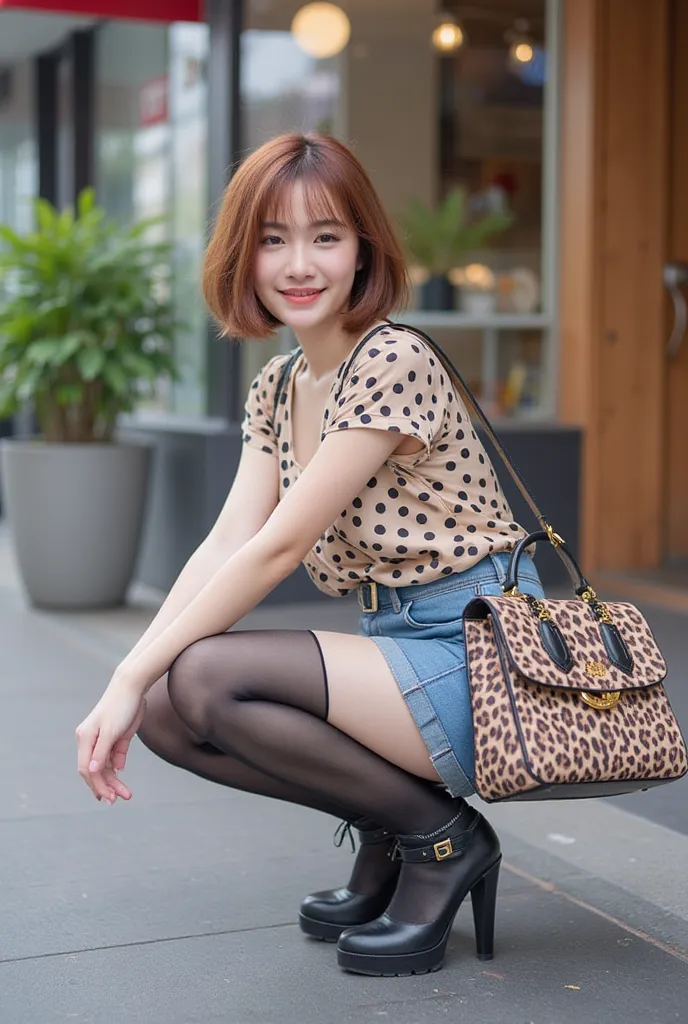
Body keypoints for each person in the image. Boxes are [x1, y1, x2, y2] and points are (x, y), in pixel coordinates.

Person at [75, 132, 546, 977]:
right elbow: (226, 543)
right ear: (243, 253)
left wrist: (128, 673)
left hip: (482, 653)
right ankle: (393, 826)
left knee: (205, 678)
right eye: (272, 238)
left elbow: (279, 547)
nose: (300, 264)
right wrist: (133, 679)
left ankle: (440, 841)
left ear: (364, 246)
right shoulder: (280, 384)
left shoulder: (392, 358)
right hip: (400, 643)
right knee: (169, 715)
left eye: (326, 236)